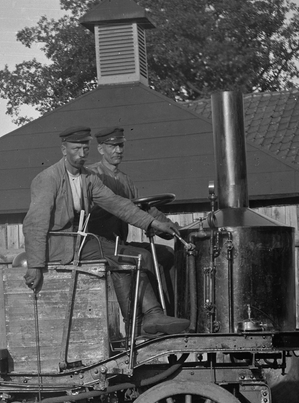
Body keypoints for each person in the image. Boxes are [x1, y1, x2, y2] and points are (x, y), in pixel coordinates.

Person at [22, 126, 190, 335]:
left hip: (81, 242)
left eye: (85, 148)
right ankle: (148, 319)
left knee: (134, 256)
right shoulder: (48, 178)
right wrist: (36, 266)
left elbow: (118, 204)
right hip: (61, 246)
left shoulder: (89, 178)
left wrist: (155, 224)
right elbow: (34, 224)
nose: (81, 154)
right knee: (136, 256)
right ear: (64, 149)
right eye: (76, 148)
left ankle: (149, 320)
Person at [85, 125, 177, 305]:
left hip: (121, 243)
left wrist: (172, 227)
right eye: (112, 146)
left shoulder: (125, 180)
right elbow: (118, 207)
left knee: (167, 254)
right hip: (98, 245)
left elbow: (144, 208)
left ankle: (173, 314)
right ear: (100, 149)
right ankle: (152, 317)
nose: (118, 150)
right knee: (144, 256)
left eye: (121, 146)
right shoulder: (93, 176)